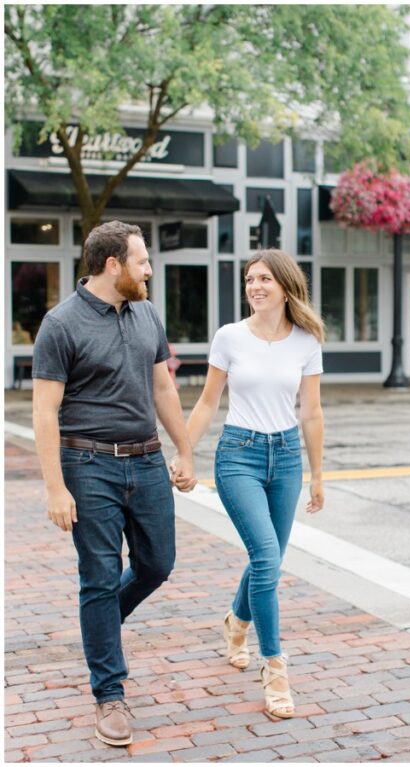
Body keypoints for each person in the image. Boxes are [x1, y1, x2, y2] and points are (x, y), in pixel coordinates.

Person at [31, 220, 198, 747]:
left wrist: (185, 449)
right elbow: (44, 411)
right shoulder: (60, 325)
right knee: (99, 577)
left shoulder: (146, 312)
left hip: (146, 462)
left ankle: (98, 628)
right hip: (88, 466)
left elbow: (162, 387)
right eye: (142, 261)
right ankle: (109, 692)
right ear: (112, 265)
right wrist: (56, 487)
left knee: (157, 564)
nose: (149, 269)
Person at [185, 249, 325, 718]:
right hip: (238, 455)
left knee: (269, 558)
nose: (255, 286)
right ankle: (275, 668)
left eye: (265, 278)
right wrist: (184, 453)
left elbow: (311, 411)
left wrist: (318, 475)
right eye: (250, 279)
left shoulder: (306, 341)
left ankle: (236, 619)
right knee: (266, 556)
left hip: (285, 458)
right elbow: (207, 402)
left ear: (285, 286)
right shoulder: (229, 338)